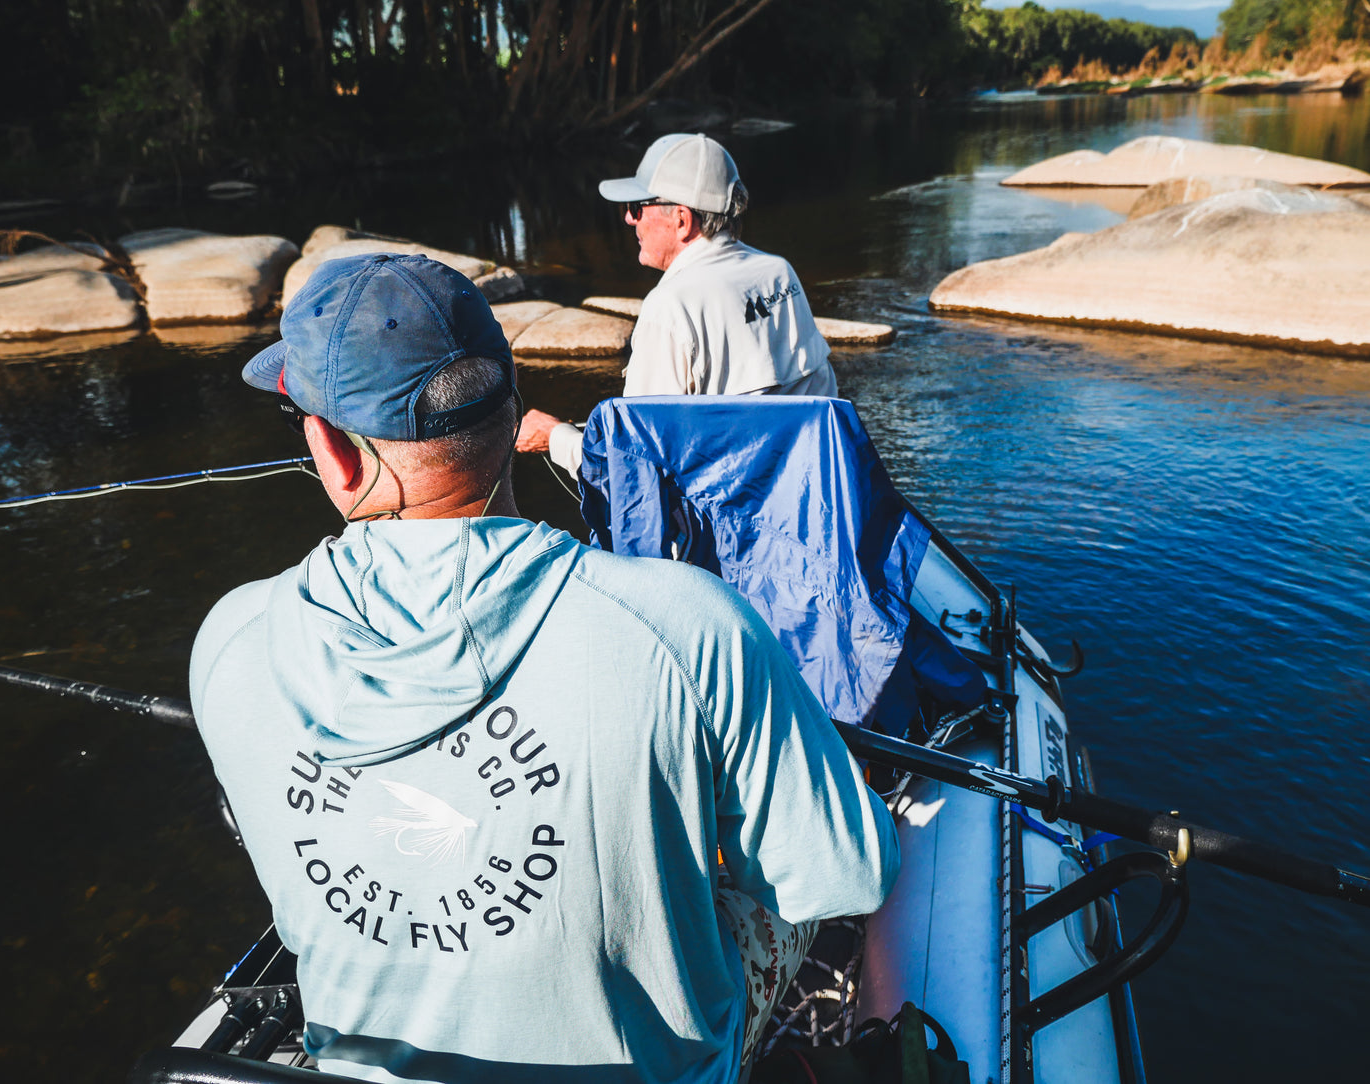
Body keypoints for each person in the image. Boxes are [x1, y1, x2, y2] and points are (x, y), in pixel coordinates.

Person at [190, 252, 898, 1084]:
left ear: (333, 454)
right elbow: (843, 875)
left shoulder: (230, 637)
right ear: (512, 411)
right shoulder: (689, 624)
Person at [517, 132, 837, 474]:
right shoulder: (779, 273)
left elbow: (635, 469)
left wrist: (554, 437)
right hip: (802, 491)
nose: (628, 219)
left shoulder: (670, 307)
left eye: (637, 207)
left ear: (682, 220)